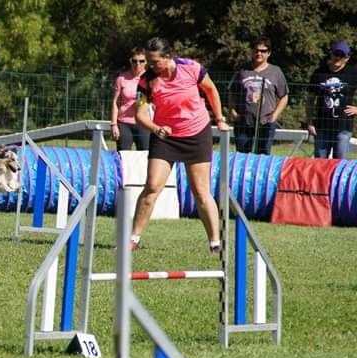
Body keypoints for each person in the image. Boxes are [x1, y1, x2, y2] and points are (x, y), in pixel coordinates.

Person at [130, 37, 230, 253]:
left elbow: (211, 91)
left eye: (155, 61)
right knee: (152, 186)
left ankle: (215, 243)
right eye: (147, 61)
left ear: (167, 57)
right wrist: (156, 128)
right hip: (165, 136)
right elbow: (139, 113)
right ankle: (133, 239)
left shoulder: (191, 68)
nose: (150, 66)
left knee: (201, 192)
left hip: (196, 134)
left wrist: (219, 118)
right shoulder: (147, 80)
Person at [228, 37, 289, 155]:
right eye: (256, 50)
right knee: (242, 156)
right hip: (244, 121)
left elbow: (284, 96)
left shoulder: (276, 71)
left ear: (269, 53)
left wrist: (274, 116)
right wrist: (233, 111)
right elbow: (232, 92)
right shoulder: (243, 70)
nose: (259, 53)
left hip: (266, 122)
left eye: (263, 51)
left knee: (263, 156)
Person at [305, 40, 357, 160]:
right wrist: (309, 122)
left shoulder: (353, 74)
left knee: (339, 163)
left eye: (341, 55)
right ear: (331, 54)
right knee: (320, 163)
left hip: (343, 127)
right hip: (322, 126)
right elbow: (310, 100)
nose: (337, 57)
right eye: (335, 54)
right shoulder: (319, 73)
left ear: (347, 58)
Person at [110, 47, 150, 150]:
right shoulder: (121, 79)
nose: (138, 64)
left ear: (146, 62)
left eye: (141, 61)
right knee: (123, 156)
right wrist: (114, 125)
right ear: (130, 61)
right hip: (124, 123)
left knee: (145, 157)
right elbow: (115, 103)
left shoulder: (151, 78)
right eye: (134, 61)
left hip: (144, 123)